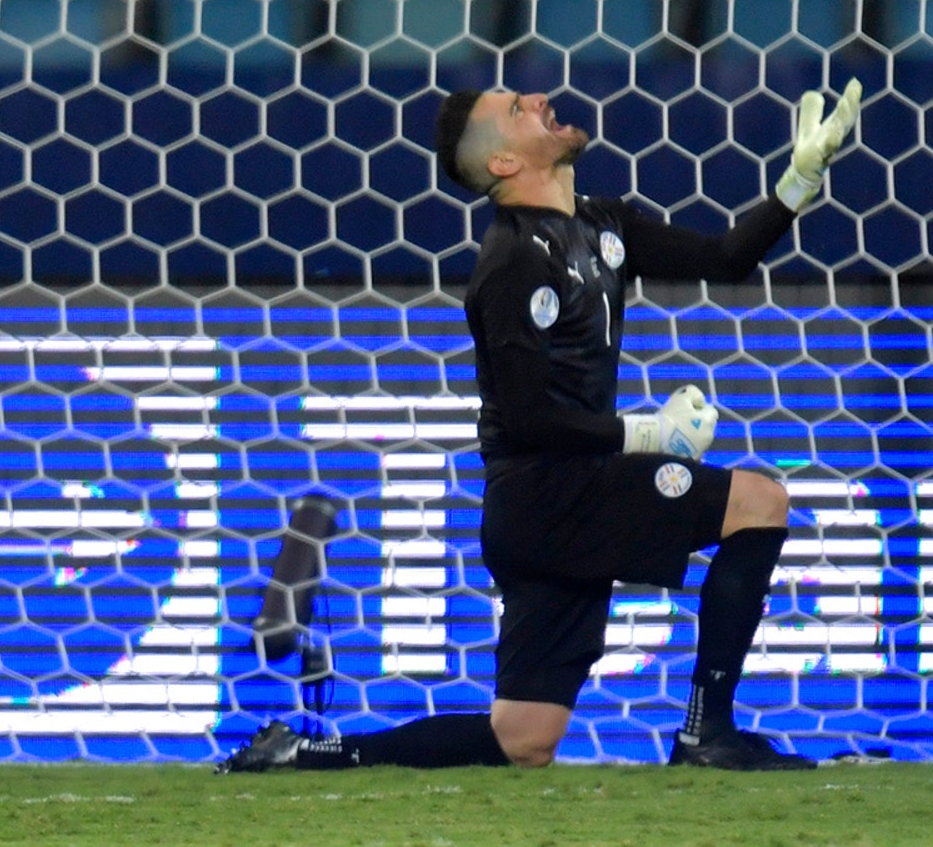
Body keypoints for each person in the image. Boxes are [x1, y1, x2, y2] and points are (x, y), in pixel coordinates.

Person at [216, 77, 861, 774]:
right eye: (518, 109)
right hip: (550, 497)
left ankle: (309, 751)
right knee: (760, 503)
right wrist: (645, 436)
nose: (539, 99)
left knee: (522, 738)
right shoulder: (511, 263)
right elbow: (528, 419)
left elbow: (723, 259)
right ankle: (709, 731)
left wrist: (798, 181)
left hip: (552, 505)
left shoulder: (603, 224)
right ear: (502, 164)